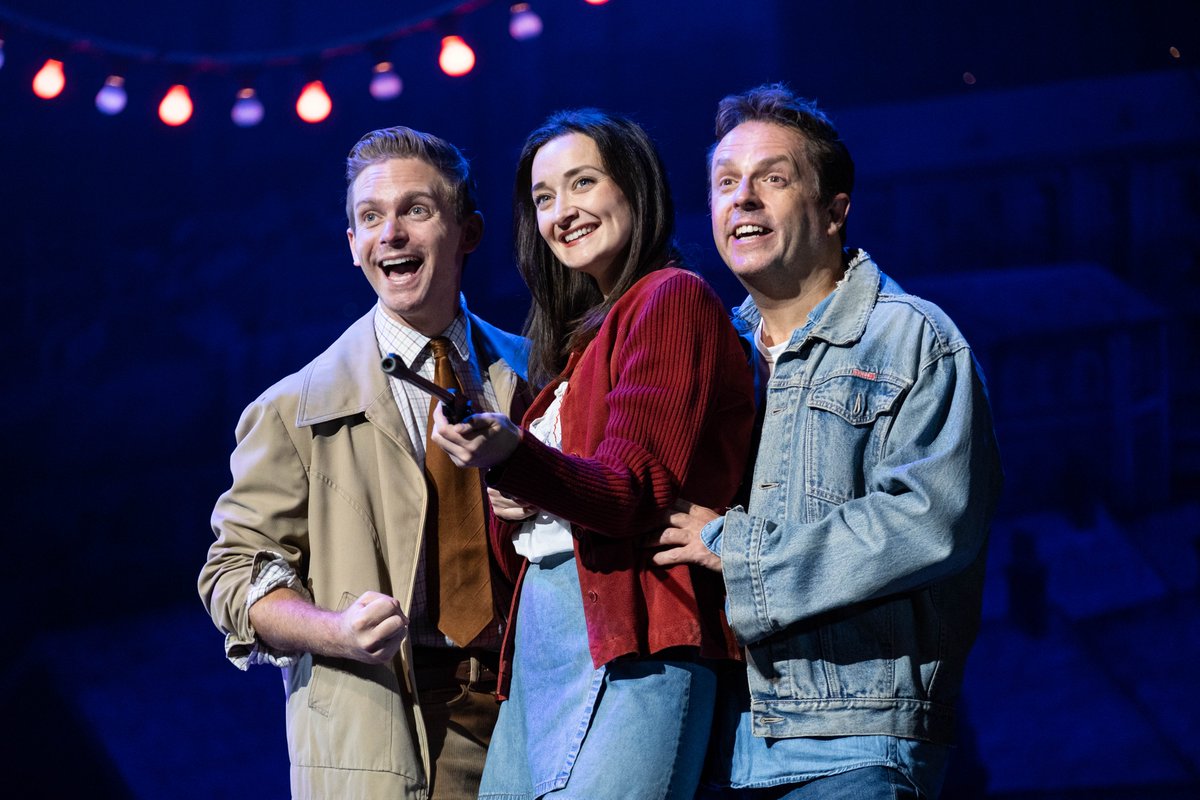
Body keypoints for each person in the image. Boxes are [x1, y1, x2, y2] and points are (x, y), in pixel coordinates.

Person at [648, 84, 1004, 799]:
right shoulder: (706, 350)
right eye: (725, 183)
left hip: (853, 746)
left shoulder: (913, 339)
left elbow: (931, 522)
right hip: (710, 749)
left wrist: (742, 550)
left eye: (772, 179)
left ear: (836, 209)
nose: (741, 199)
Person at [430, 109, 756, 800]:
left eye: (581, 183)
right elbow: (544, 524)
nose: (561, 211)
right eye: (544, 198)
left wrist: (516, 460)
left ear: (634, 187)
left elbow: (630, 492)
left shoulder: (671, 298)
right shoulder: (576, 348)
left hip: (635, 636)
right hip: (552, 634)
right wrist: (509, 492)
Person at [198, 126, 531, 799]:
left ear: (467, 231)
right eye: (370, 218)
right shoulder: (293, 408)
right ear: (352, 246)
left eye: (416, 210)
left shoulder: (538, 373)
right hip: (396, 723)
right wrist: (335, 631)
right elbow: (230, 575)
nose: (392, 234)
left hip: (540, 711)